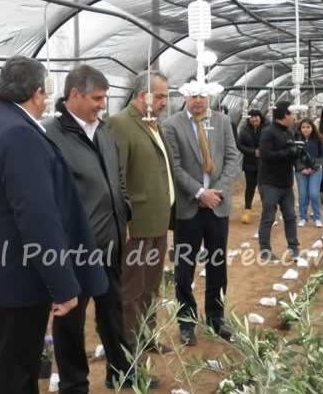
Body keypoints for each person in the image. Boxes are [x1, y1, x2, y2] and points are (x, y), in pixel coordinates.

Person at [0, 56, 107, 394]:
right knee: (16, 371)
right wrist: (64, 285)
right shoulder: (19, 133)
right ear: (38, 93)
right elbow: (37, 216)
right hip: (18, 276)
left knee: (8, 362)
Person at [45, 65, 156, 391]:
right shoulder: (51, 137)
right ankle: (74, 385)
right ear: (74, 95)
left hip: (110, 243)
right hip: (75, 249)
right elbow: (47, 197)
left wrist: (123, 207)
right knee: (70, 322)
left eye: (104, 98)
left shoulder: (104, 131)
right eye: (97, 98)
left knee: (112, 313)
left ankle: (121, 371)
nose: (101, 105)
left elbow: (117, 177)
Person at [163, 89, 241, 347]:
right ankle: (186, 322)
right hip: (190, 207)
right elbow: (174, 165)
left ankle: (216, 317)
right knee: (184, 268)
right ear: (185, 97)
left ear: (210, 98)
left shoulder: (222, 122)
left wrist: (217, 190)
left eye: (202, 96)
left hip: (218, 205)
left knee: (217, 264)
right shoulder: (172, 125)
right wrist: (199, 192)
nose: (198, 100)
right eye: (193, 95)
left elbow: (233, 157)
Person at [108, 70, 174, 354]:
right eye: (159, 96)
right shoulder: (121, 124)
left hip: (158, 220)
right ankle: (128, 346)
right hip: (137, 223)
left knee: (150, 287)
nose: (164, 102)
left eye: (166, 96)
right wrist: (124, 220)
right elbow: (117, 177)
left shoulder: (154, 124)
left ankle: (146, 336)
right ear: (142, 95)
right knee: (132, 287)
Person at [257, 101, 303, 262]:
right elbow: (266, 155)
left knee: (290, 215)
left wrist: (297, 155)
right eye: (291, 114)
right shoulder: (268, 132)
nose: (293, 117)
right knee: (269, 217)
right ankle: (265, 250)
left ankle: (293, 247)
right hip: (269, 182)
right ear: (284, 116)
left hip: (285, 182)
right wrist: (287, 152)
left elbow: (290, 154)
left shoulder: (288, 132)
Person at [296, 118, 323, 228]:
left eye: (308, 127)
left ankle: (317, 218)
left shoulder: (319, 139)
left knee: (313, 193)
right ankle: (303, 217)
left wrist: (313, 167)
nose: (305, 129)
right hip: (301, 171)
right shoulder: (296, 139)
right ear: (300, 128)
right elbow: (293, 156)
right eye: (303, 127)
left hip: (316, 170)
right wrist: (301, 168)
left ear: (312, 128)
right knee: (303, 194)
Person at [236, 109, 264, 224]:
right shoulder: (244, 130)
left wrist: (263, 151)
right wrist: (253, 152)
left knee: (264, 187)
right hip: (250, 163)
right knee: (250, 187)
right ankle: (247, 209)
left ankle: (269, 211)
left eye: (256, 116)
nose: (254, 119)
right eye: (251, 117)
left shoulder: (267, 128)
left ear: (260, 117)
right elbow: (240, 145)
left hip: (264, 163)